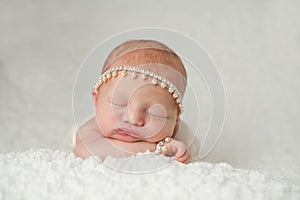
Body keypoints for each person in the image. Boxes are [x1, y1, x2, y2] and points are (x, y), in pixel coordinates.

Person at [75, 40, 190, 164]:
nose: (133, 119)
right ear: (96, 99)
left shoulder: (181, 136)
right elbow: (88, 151)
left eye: (155, 113)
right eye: (118, 103)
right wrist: (156, 148)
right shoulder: (92, 129)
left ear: (176, 120)